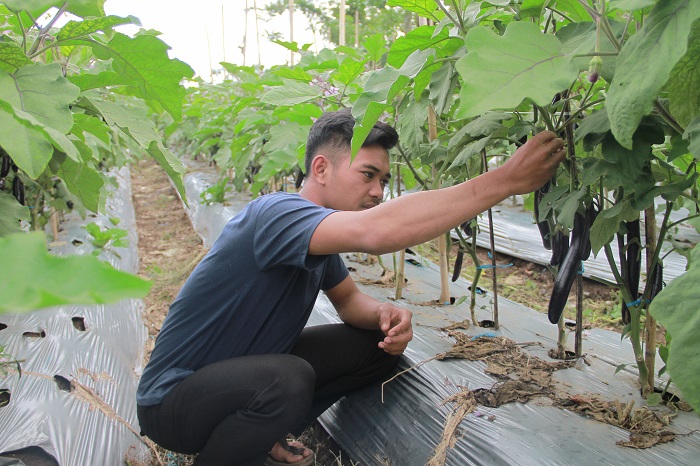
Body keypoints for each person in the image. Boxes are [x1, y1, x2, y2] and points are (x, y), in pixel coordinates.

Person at [136, 108, 565, 466]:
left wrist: (384, 315)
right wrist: (504, 180)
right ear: (320, 168)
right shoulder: (276, 214)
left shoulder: (316, 237)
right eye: (368, 175)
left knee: (374, 349)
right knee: (287, 378)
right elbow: (377, 232)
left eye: (383, 180)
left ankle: (261, 434)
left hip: (236, 381)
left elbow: (348, 301)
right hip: (173, 402)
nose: (378, 191)